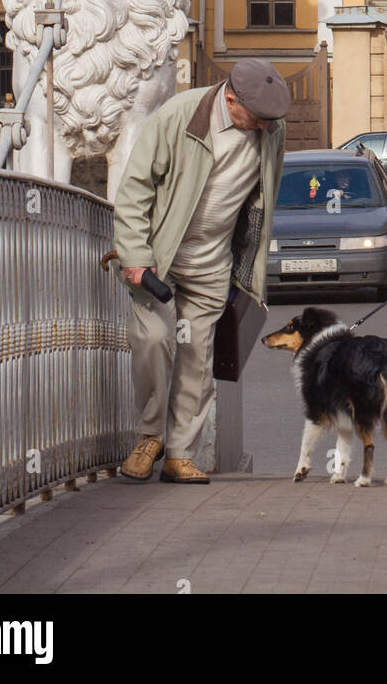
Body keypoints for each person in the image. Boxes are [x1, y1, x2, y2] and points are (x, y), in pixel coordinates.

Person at [112, 59, 290, 485]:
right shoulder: (179, 116)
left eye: (271, 121)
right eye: (259, 119)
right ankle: (150, 436)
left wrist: (249, 266)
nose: (266, 128)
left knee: (197, 357)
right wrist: (134, 255)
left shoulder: (271, 131)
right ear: (231, 100)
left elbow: (263, 198)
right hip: (162, 257)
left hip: (213, 263)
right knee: (154, 340)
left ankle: (178, 454)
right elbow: (135, 187)